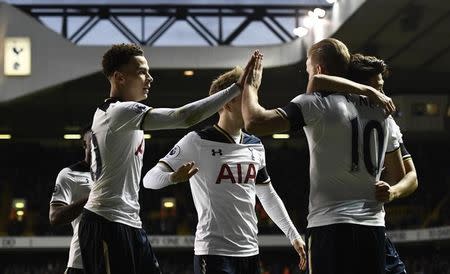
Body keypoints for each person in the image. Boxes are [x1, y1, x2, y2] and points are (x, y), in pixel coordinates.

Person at [78, 43, 259, 274]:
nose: (150, 78)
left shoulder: (120, 114)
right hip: (104, 221)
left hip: (129, 221)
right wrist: (236, 88)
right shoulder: (117, 112)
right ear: (119, 77)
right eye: (142, 71)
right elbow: (182, 117)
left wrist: (173, 176)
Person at [241, 39, 404, 274]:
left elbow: (254, 122)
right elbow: (398, 175)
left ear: (318, 69)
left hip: (330, 226)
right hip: (373, 227)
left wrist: (251, 86)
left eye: (308, 67)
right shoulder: (381, 111)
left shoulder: (316, 105)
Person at [143, 66, 306, 274]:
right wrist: (173, 177)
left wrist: (293, 235)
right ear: (227, 102)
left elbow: (267, 194)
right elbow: (149, 179)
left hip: (250, 251)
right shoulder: (197, 141)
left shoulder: (255, 144)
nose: (254, 103)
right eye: (247, 97)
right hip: (213, 252)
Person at [308, 53, 418, 274]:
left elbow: (411, 176)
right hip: (333, 225)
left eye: (382, 87)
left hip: (371, 225)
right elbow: (316, 82)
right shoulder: (331, 111)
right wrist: (366, 91)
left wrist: (393, 192)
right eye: (379, 88)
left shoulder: (385, 119)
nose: (383, 94)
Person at [49, 126, 92, 274]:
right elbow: (55, 217)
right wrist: (92, 196)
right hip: (81, 261)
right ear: (84, 144)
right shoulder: (69, 174)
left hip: (114, 259)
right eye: (94, 140)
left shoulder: (116, 175)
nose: (100, 145)